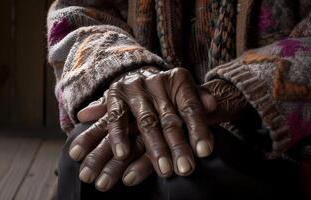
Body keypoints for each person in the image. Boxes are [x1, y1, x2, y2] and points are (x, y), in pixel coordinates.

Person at [47, 0, 311, 199]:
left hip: (274, 140)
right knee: (87, 152)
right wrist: (128, 71)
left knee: (188, 174)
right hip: (141, 98)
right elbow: (79, 8)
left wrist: (234, 90)